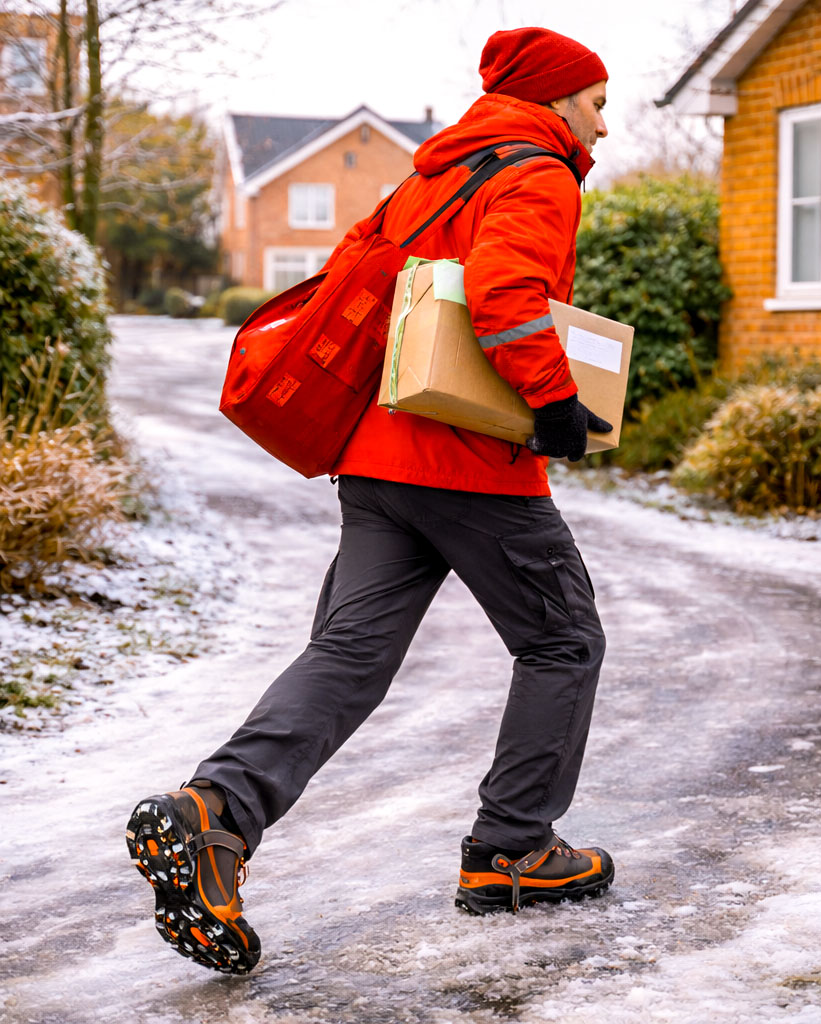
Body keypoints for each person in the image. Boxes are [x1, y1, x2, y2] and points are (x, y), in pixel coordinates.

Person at [125, 25, 615, 975]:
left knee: (348, 653)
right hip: (467, 459)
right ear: (556, 101)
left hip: (378, 453)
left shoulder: (434, 174)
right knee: (562, 639)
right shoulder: (538, 172)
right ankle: (513, 850)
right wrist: (556, 402)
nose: (604, 122)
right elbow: (509, 296)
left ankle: (216, 816)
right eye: (598, 102)